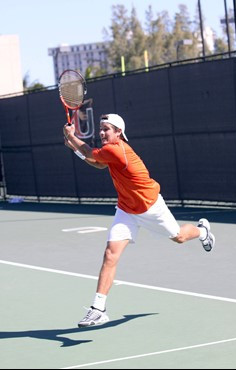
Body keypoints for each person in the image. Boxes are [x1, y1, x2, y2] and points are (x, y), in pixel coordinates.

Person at [63, 113, 215, 328]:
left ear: (119, 133)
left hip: (151, 207)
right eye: (101, 129)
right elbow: (98, 164)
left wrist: (72, 137)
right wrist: (73, 146)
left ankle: (202, 231)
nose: (102, 133)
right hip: (126, 209)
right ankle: (98, 309)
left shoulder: (117, 150)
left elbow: (89, 152)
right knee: (110, 254)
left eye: (107, 129)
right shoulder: (110, 152)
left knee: (179, 237)